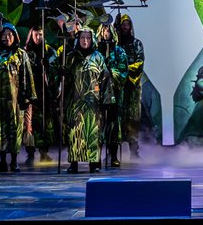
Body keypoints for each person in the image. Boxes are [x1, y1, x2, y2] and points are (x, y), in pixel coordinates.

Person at [62, 26, 111, 173]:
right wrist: (61, 73)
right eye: (82, 38)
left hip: (93, 102)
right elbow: (64, 80)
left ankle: (93, 163)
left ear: (92, 40)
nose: (85, 41)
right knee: (75, 132)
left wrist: (107, 99)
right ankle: (74, 163)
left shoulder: (98, 57)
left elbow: (105, 78)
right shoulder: (71, 56)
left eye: (88, 38)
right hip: (75, 102)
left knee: (92, 131)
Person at [0, 23, 37, 172]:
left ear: (15, 36)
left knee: (15, 129)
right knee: (0, 129)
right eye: (4, 34)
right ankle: (2, 161)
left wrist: (29, 96)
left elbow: (28, 75)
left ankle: (14, 161)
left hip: (16, 99)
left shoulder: (21, 54)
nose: (7, 37)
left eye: (10, 34)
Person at [24, 26, 57, 164]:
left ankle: (44, 152)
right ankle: (30, 153)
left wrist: (47, 66)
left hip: (45, 93)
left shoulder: (49, 51)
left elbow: (55, 71)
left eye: (41, 35)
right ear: (31, 35)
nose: (38, 38)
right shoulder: (25, 52)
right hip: (31, 93)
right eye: (36, 35)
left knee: (45, 124)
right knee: (30, 124)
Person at [96, 23, 128, 167]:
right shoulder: (96, 51)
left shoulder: (119, 51)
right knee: (98, 124)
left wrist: (111, 72)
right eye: (104, 30)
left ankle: (113, 155)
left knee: (113, 124)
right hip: (98, 94)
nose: (106, 33)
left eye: (108, 30)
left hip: (114, 93)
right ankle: (96, 156)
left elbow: (123, 71)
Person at [115, 14, 145, 159]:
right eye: (123, 24)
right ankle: (113, 152)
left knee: (133, 118)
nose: (125, 27)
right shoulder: (115, 45)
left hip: (132, 86)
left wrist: (125, 70)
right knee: (116, 118)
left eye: (127, 24)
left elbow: (140, 62)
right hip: (118, 87)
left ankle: (134, 151)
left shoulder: (137, 43)